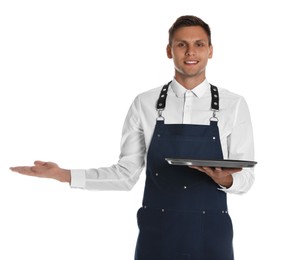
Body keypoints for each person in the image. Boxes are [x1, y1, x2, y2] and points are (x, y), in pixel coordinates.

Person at [10, 15, 255, 260]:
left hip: (211, 234)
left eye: (199, 44)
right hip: (158, 233)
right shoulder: (145, 103)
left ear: (210, 51)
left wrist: (226, 180)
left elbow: (246, 177)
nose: (191, 51)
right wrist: (63, 175)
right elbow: (126, 174)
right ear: (169, 51)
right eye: (182, 44)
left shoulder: (233, 105)